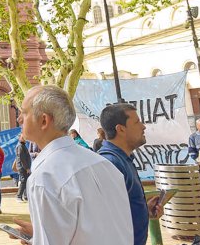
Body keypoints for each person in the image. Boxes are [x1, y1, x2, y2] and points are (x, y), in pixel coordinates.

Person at [11, 85, 133, 245]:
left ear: (44, 120)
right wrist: (39, 233)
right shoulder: (103, 164)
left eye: (24, 112)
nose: (19, 118)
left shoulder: (45, 177)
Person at [98, 103, 164, 245]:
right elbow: (108, 220)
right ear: (120, 129)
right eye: (137, 122)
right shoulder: (110, 163)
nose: (143, 126)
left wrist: (144, 211)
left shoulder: (122, 159)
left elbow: (121, 211)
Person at [14, 133, 31, 202]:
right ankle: (19, 196)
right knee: (23, 181)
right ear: (19, 138)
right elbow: (22, 158)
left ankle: (25, 196)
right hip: (22, 167)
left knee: (25, 181)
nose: (24, 139)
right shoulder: (20, 146)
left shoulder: (22, 145)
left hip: (23, 167)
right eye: (23, 137)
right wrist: (27, 168)